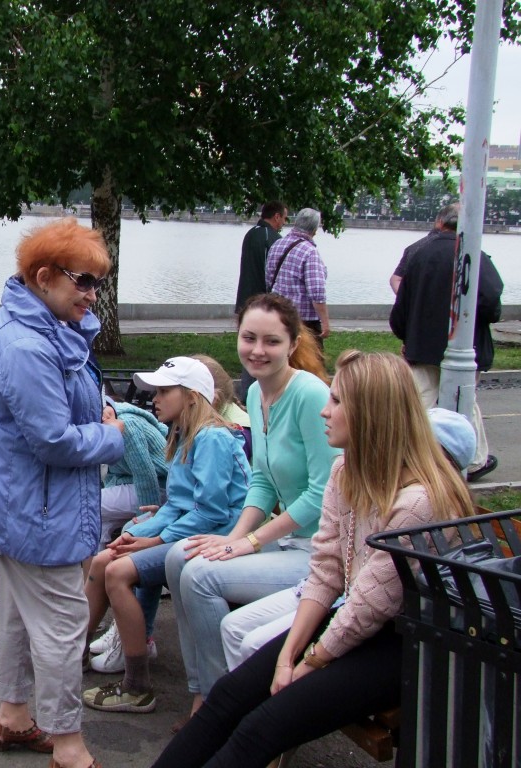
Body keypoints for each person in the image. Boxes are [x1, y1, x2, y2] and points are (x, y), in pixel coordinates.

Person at [150, 351, 475, 768]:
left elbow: (368, 607)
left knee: (260, 727)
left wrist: (306, 665)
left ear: (372, 414)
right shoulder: (346, 471)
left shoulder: (417, 502)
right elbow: (325, 573)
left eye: (338, 402)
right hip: (355, 621)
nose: (325, 410)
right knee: (230, 695)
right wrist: (287, 655)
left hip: (406, 643)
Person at [0, 217, 125, 768]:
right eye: (83, 281)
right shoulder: (29, 345)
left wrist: (94, 413)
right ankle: (69, 747)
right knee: (61, 627)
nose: (93, 294)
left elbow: (51, 416)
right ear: (44, 276)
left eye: (97, 282)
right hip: (38, 511)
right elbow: (52, 440)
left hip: (18, 503)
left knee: (17, 616)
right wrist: (111, 435)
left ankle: (12, 718)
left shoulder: (36, 325)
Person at [163, 293, 340, 727]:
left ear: (293, 344)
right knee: (178, 557)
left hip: (318, 553)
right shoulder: (258, 391)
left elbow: (322, 492)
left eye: (271, 341)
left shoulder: (310, 394)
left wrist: (253, 541)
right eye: (248, 338)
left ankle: (224, 703)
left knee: (202, 576)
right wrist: (234, 538)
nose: (257, 351)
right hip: (287, 543)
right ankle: (203, 689)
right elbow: (261, 480)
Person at [219, 406, 477, 671]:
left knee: (254, 643)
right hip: (336, 590)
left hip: (365, 616)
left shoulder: (417, 502)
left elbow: (370, 601)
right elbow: (330, 565)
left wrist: (309, 660)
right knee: (233, 626)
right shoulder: (353, 473)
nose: (325, 412)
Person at [81, 358, 250, 713]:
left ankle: (137, 684)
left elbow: (211, 514)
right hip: (194, 532)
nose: (154, 398)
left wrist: (153, 541)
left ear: (191, 396)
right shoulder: (185, 435)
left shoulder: (213, 438)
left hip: (215, 540)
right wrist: (140, 532)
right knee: (103, 558)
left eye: (163, 391)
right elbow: (176, 504)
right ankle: (73, 654)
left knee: (117, 570)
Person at [389, 201, 504, 482]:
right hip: (465, 345)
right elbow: (491, 303)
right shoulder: (473, 254)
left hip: (422, 344)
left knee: (421, 402)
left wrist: (406, 335)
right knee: (464, 402)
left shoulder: (418, 253)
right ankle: (473, 460)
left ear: (440, 223)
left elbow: (400, 305)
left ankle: (410, 457)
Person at [99, 396, 170, 548]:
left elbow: (145, 475)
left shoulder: (127, 426)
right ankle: (95, 568)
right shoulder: (108, 420)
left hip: (159, 487)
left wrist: (147, 520)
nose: (103, 416)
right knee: (96, 522)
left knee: (89, 504)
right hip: (130, 482)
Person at [235, 201, 288, 400]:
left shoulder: (250, 234)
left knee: (249, 347)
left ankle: (247, 395)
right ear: (276, 217)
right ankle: (258, 396)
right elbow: (270, 273)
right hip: (260, 303)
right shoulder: (270, 237)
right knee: (262, 349)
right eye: (284, 218)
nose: (283, 222)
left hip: (244, 302)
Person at [265, 208, 330, 347]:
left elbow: (269, 279)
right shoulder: (309, 251)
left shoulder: (277, 245)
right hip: (304, 321)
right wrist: (325, 322)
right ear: (314, 229)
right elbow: (317, 291)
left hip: (279, 315)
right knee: (311, 364)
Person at [388, 206, 454, 294]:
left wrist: (409, 301)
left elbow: (395, 280)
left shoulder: (415, 248)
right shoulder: (469, 252)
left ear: (439, 222)